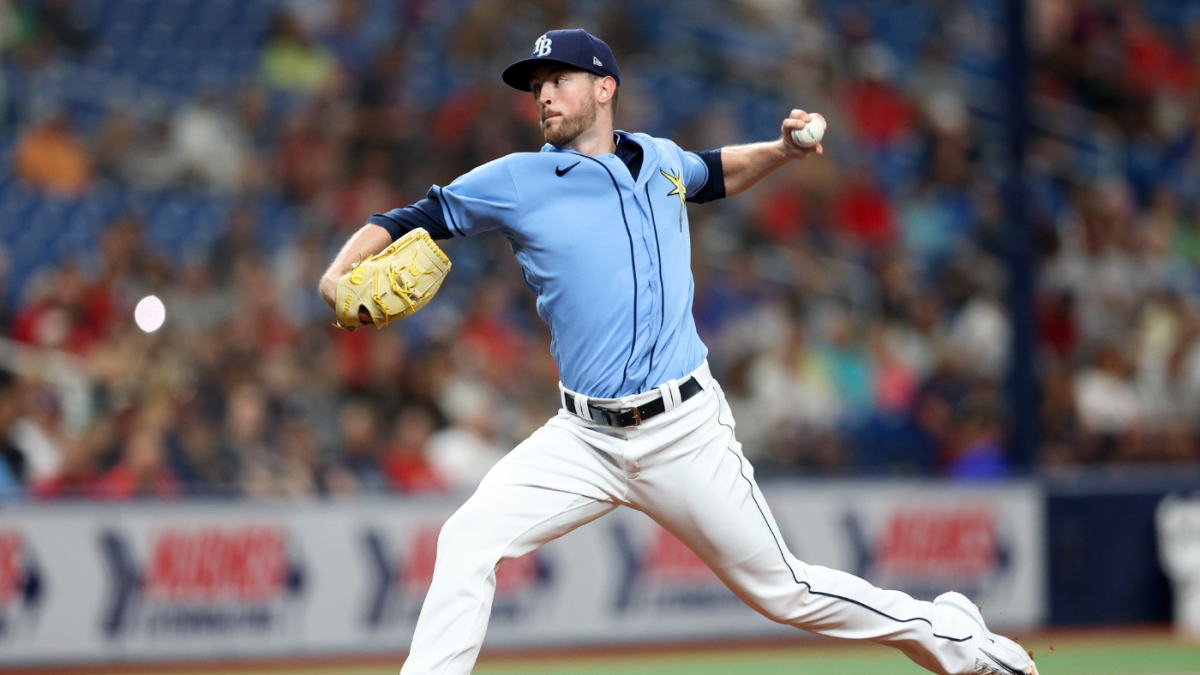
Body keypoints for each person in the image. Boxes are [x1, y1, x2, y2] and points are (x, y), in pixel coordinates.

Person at [319, 29, 1037, 675]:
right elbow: (403, 218)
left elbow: (714, 173)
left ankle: (959, 643)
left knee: (786, 590)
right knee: (467, 537)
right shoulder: (516, 180)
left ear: (604, 87)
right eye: (536, 87)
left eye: (558, 80)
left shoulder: (657, 159)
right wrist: (335, 274)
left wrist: (783, 150)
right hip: (582, 437)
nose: (543, 96)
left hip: (684, 431)